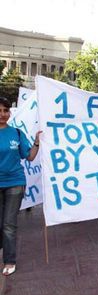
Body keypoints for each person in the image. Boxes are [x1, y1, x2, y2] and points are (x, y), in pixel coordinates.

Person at [0, 96, 41, 276]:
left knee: (9, 224)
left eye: (5, 110)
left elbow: (29, 156)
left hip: (15, 183)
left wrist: (37, 142)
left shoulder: (16, 133)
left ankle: (9, 260)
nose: (2, 114)